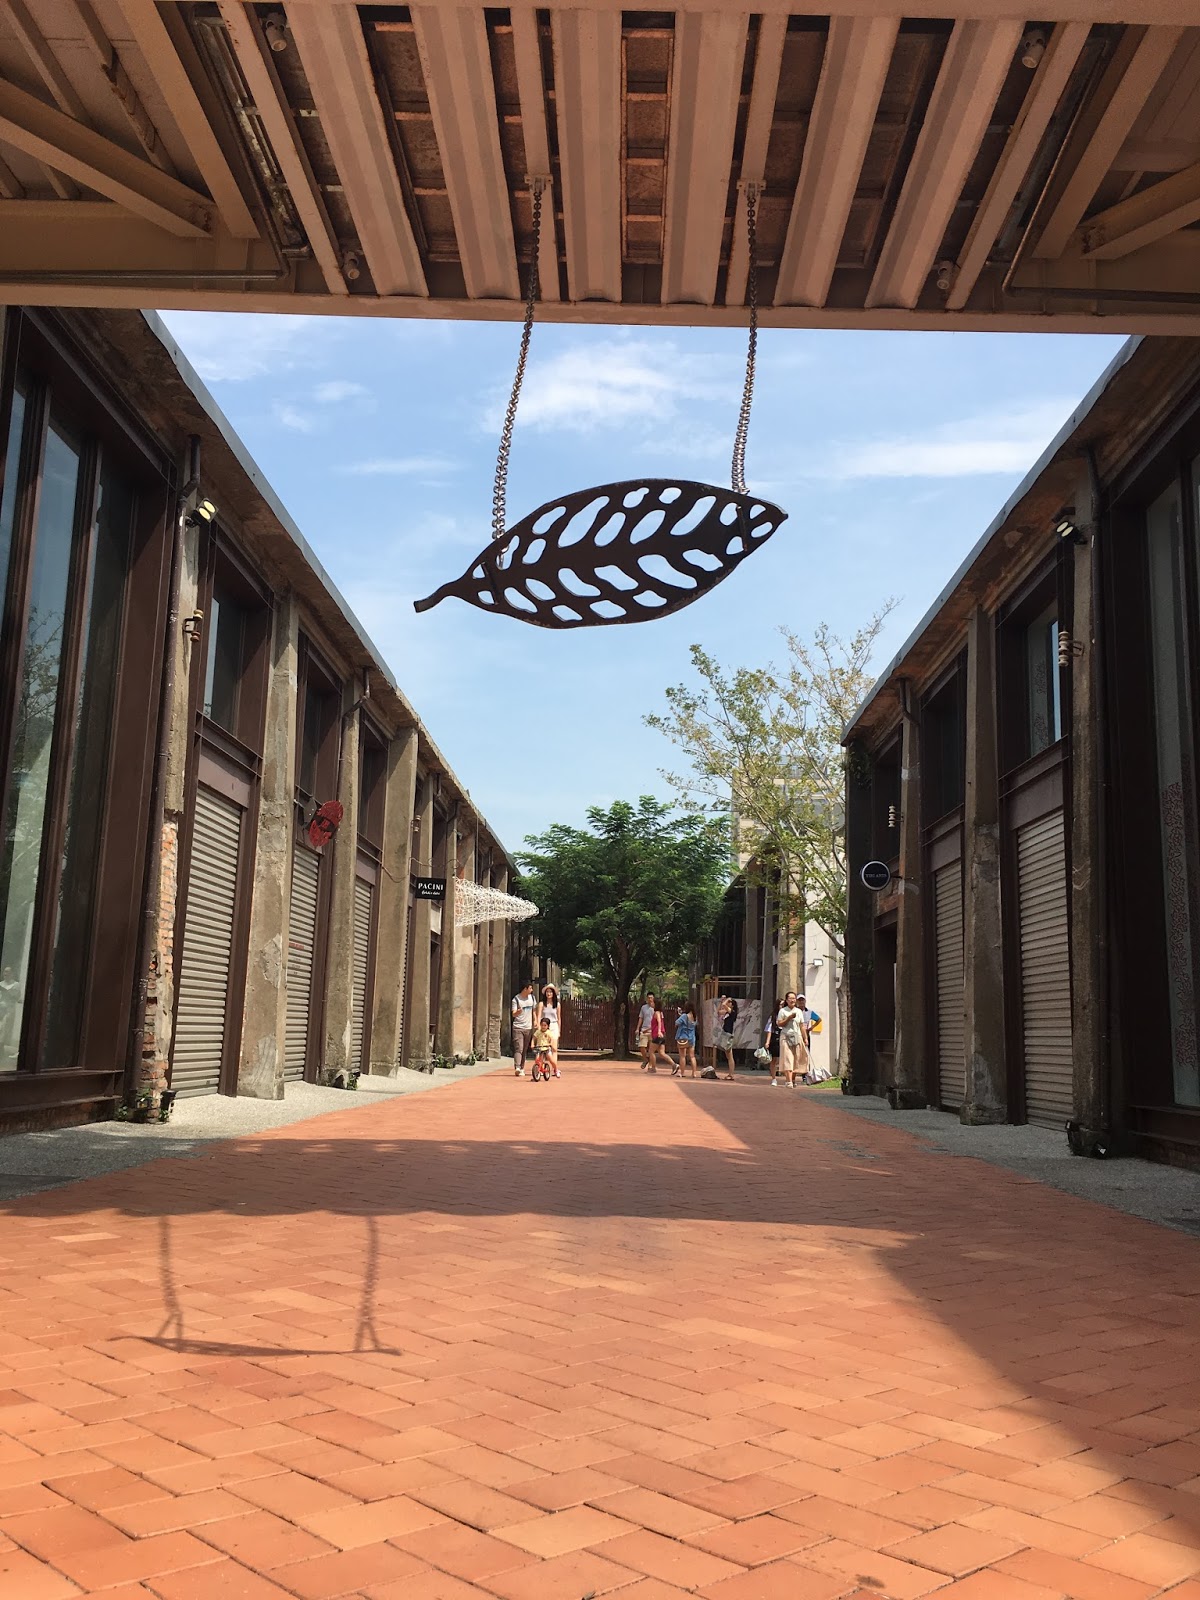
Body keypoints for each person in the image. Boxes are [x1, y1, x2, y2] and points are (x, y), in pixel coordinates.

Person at [774, 991, 810, 1088]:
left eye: (794, 998)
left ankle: (793, 1079)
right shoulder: (783, 1011)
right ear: (786, 1000)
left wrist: (805, 1038)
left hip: (797, 1037)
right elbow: (779, 1024)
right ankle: (788, 1081)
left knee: (796, 1059)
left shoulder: (798, 1011)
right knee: (788, 1058)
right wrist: (789, 1018)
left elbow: (802, 1026)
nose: (792, 1000)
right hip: (785, 1037)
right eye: (790, 998)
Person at [511, 981, 536, 1077]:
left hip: (528, 1028)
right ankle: (517, 1067)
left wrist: (535, 1021)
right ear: (525, 989)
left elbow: (534, 1011)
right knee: (519, 1048)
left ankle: (522, 1068)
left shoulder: (532, 998)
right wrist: (518, 1012)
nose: (531, 990)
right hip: (518, 1027)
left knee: (525, 1049)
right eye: (530, 988)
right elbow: (513, 1014)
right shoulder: (516, 999)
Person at [537, 983, 562, 1078]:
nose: (549, 993)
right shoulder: (541, 1004)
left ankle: (555, 1068)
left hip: (554, 1026)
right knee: (543, 1049)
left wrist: (559, 1030)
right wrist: (539, 1028)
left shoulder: (557, 1005)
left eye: (551, 992)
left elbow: (559, 1018)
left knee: (554, 1049)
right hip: (544, 1027)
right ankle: (540, 1068)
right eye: (547, 992)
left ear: (553, 993)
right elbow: (539, 1016)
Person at [716, 994, 738, 1081]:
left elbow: (724, 1005)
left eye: (730, 1002)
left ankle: (731, 1074)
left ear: (732, 1005)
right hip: (725, 1033)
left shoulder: (732, 1012)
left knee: (729, 1055)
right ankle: (730, 1074)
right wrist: (721, 1002)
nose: (728, 1003)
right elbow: (718, 1011)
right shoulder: (727, 1013)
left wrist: (727, 1000)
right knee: (728, 1055)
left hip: (728, 1035)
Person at [673, 1004, 698, 1078]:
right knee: (692, 1056)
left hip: (683, 1037)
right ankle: (694, 1073)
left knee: (682, 1056)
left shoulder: (684, 1016)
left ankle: (682, 1073)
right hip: (692, 1038)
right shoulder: (695, 1017)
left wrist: (680, 1015)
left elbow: (677, 1022)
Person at [530, 1015, 555, 1081]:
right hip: (539, 1048)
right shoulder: (538, 1032)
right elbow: (534, 1038)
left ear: (548, 1026)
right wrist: (532, 1044)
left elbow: (552, 1039)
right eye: (542, 1025)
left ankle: (556, 1069)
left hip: (546, 1048)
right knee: (537, 1060)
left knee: (551, 1059)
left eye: (545, 1025)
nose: (543, 1027)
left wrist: (550, 1044)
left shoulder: (548, 1032)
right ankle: (537, 1073)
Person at [636, 993, 656, 1069]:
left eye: (651, 998)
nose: (650, 999)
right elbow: (641, 1018)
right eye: (648, 998)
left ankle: (650, 1065)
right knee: (642, 1046)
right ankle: (645, 1059)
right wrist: (638, 1028)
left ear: (653, 998)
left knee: (651, 1049)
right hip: (644, 1029)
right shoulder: (643, 1007)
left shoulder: (656, 1008)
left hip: (652, 1030)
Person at [647, 1001, 668, 1073]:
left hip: (657, 1035)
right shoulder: (659, 1013)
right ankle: (674, 1065)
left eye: (653, 1003)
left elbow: (659, 1022)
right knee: (662, 1053)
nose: (651, 1003)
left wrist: (659, 1031)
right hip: (661, 1034)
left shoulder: (657, 1013)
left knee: (651, 1051)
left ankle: (653, 1068)